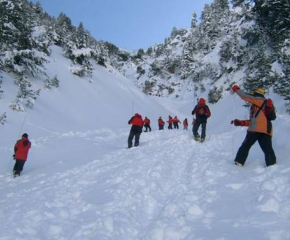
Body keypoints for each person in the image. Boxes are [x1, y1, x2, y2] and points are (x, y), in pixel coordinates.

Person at [231, 85, 276, 167]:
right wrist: (241, 123)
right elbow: (254, 121)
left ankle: (239, 162)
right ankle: (272, 165)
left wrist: (236, 89)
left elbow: (244, 96)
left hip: (255, 130)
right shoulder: (261, 105)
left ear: (256, 93)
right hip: (267, 130)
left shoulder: (259, 100)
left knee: (246, 146)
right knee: (268, 149)